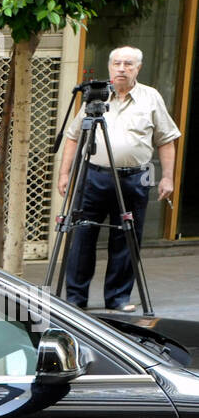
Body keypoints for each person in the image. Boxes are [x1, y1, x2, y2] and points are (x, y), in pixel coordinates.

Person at [58, 46, 180, 312]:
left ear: (138, 68)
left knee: (127, 239)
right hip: (93, 176)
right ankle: (76, 299)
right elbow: (73, 135)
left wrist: (168, 178)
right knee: (81, 236)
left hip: (135, 178)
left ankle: (117, 298)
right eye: (116, 63)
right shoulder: (96, 95)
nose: (121, 68)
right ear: (110, 66)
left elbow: (167, 140)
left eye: (128, 64)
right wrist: (65, 173)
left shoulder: (151, 97)